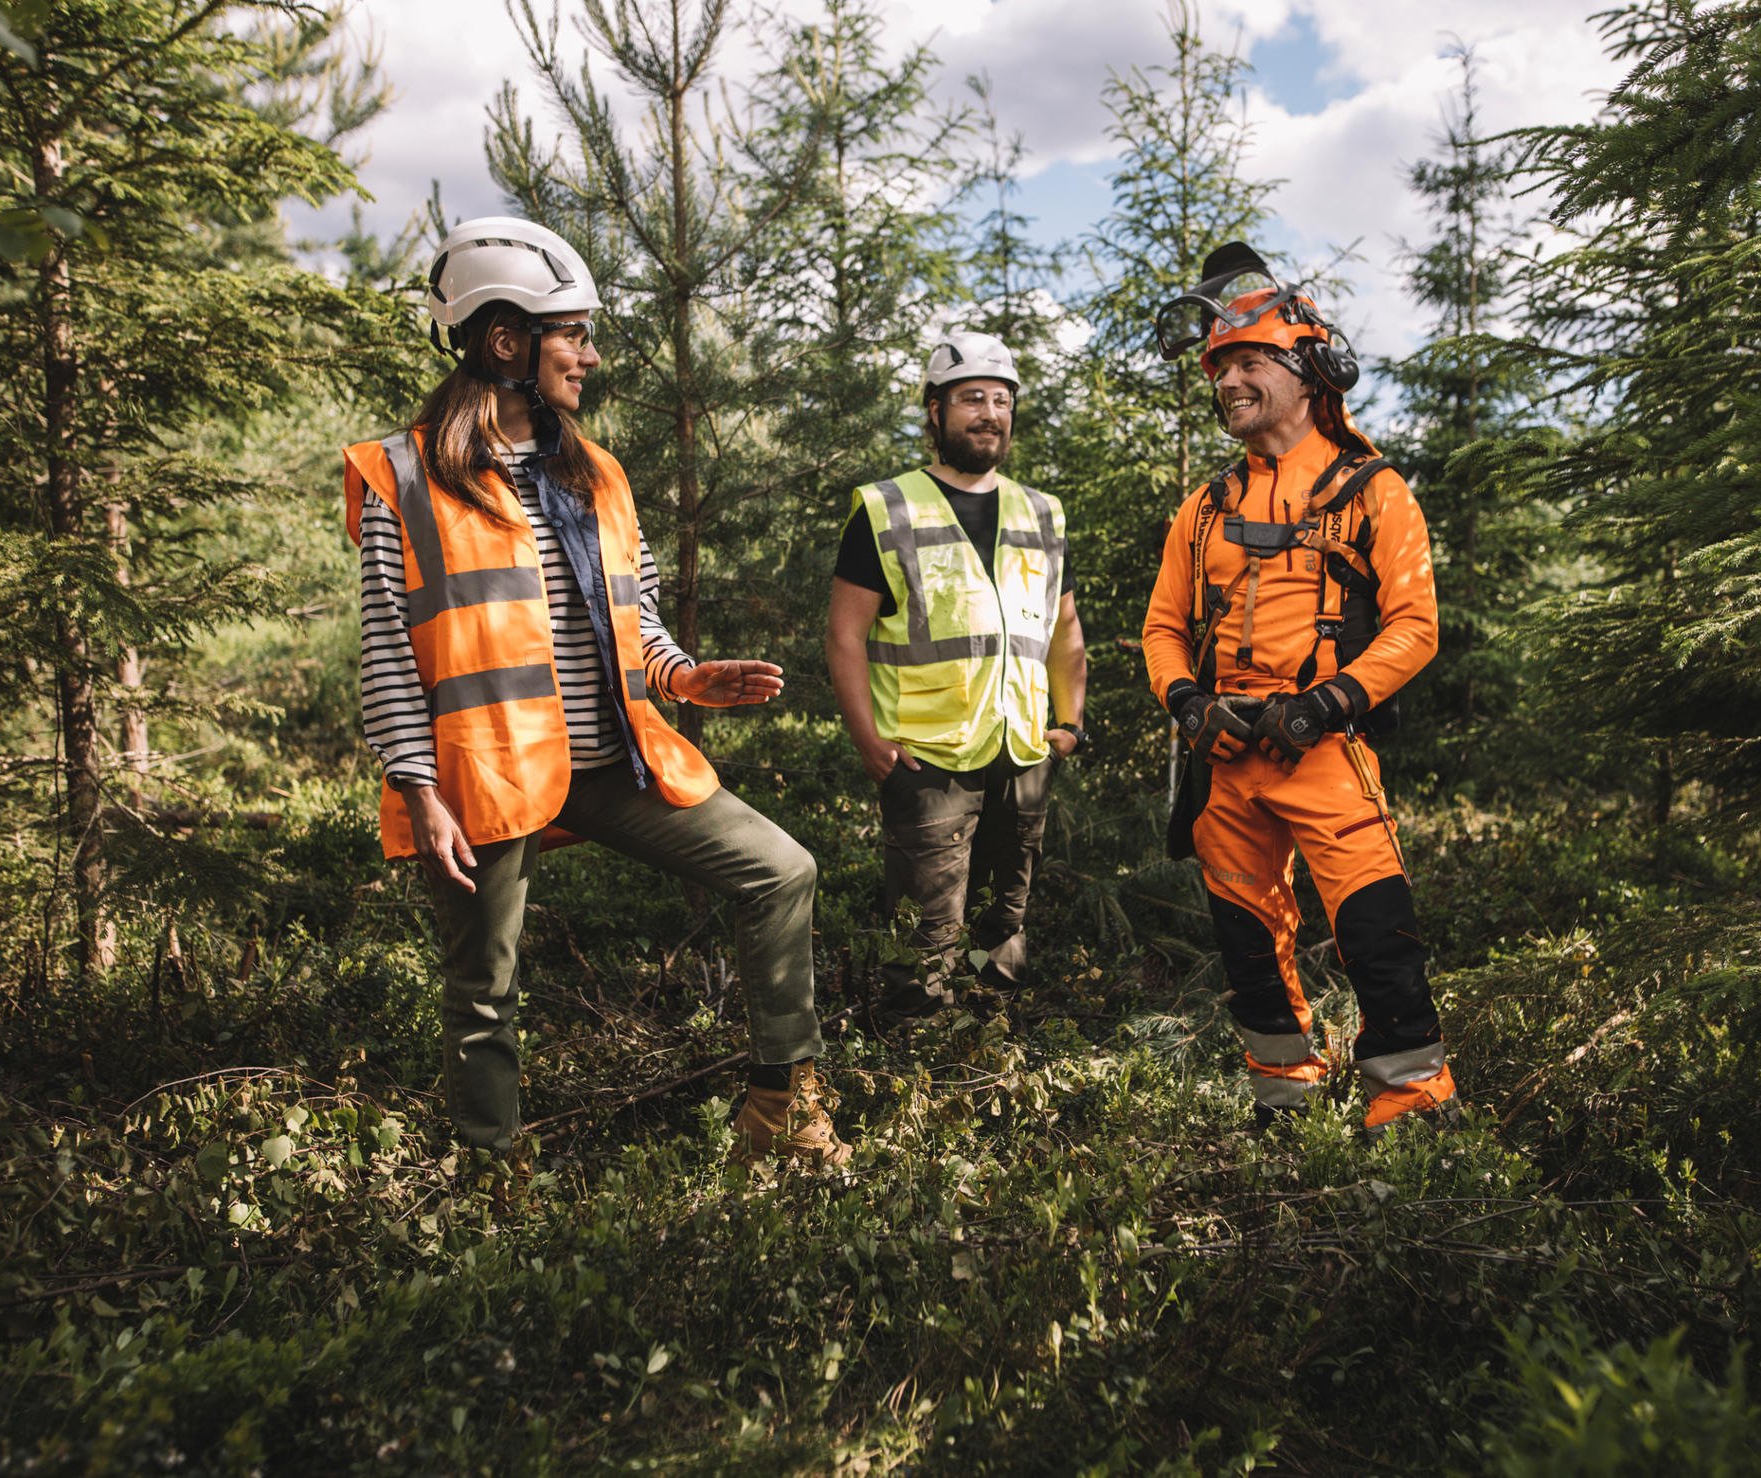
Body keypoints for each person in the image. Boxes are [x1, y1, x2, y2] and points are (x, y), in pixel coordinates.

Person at [345, 215, 847, 1167]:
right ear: (505, 340)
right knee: (483, 990)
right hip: (482, 778)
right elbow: (386, 650)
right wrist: (418, 788)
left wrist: (686, 675)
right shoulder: (402, 476)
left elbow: (634, 616)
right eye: (571, 331)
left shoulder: (596, 472)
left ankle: (784, 1111)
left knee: (783, 870)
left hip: (609, 759)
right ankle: (493, 1184)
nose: (589, 352)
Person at [1142, 244, 1459, 1134]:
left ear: (1308, 370)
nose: (1229, 382)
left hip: (1322, 744)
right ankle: (1283, 1101)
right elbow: (1163, 627)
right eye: (1220, 369)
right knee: (1248, 942)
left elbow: (1416, 627)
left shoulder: (1373, 490)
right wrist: (1187, 703)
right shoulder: (1205, 506)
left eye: (1248, 363)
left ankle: (1412, 1104)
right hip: (1228, 758)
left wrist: (1329, 703)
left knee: (1375, 930)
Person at [825, 331, 1087, 1019]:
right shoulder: (888, 507)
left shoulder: (1043, 512)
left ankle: (985, 1046)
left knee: (1004, 921)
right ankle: (916, 1062)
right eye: (972, 398)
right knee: (926, 930)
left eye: (1002, 401)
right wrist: (869, 743)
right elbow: (845, 635)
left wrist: (1068, 725)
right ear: (935, 411)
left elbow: (1064, 631)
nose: (990, 413)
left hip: (1024, 751)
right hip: (926, 756)